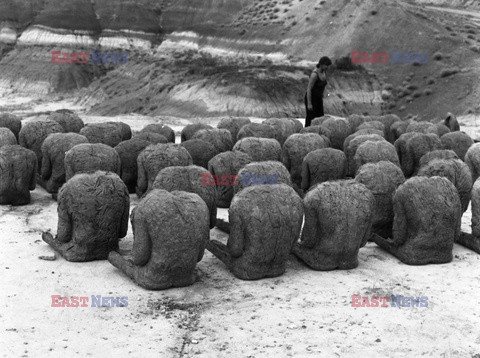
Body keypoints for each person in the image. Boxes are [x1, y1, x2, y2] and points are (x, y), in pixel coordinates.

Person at [304, 56, 332, 127]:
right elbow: (309, 89)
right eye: (326, 65)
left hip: (319, 99)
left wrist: (327, 93)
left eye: (328, 66)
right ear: (321, 64)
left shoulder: (324, 72)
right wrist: (309, 103)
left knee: (320, 118)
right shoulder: (314, 75)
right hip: (312, 99)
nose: (327, 67)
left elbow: (323, 85)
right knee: (311, 119)